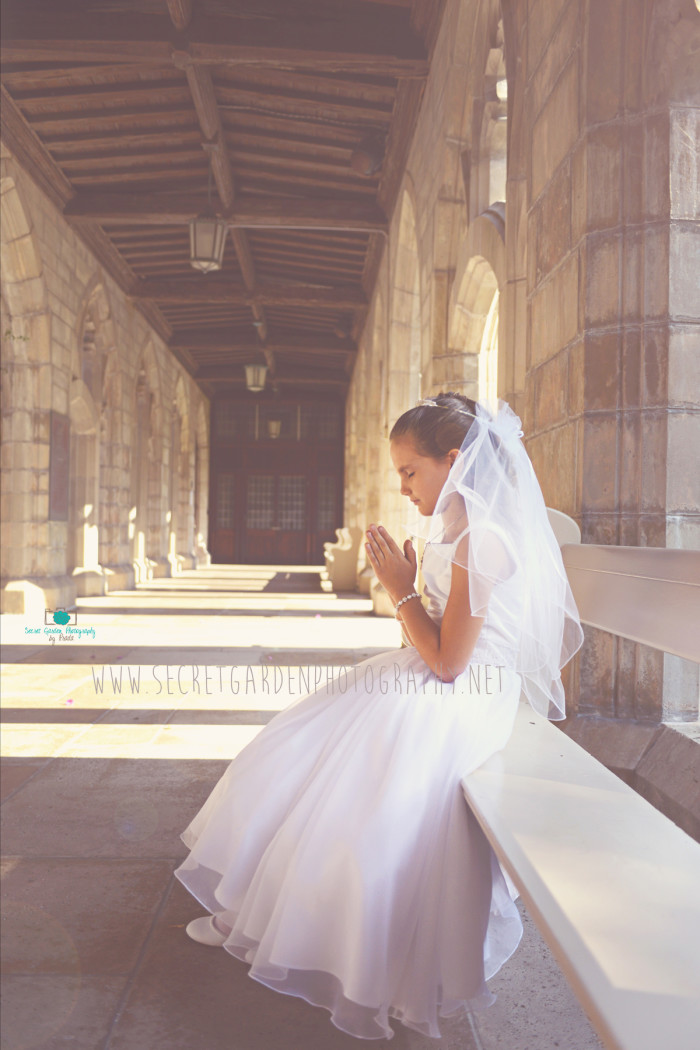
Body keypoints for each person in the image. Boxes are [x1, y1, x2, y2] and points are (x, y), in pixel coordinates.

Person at [174, 392, 584, 1042]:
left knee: (365, 757)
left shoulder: (484, 539)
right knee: (307, 737)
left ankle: (335, 939)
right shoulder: (455, 531)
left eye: (411, 471)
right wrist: (416, 586)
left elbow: (450, 662)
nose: (403, 487)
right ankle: (266, 907)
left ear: (455, 460)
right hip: (447, 679)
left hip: (469, 692)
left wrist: (400, 592)